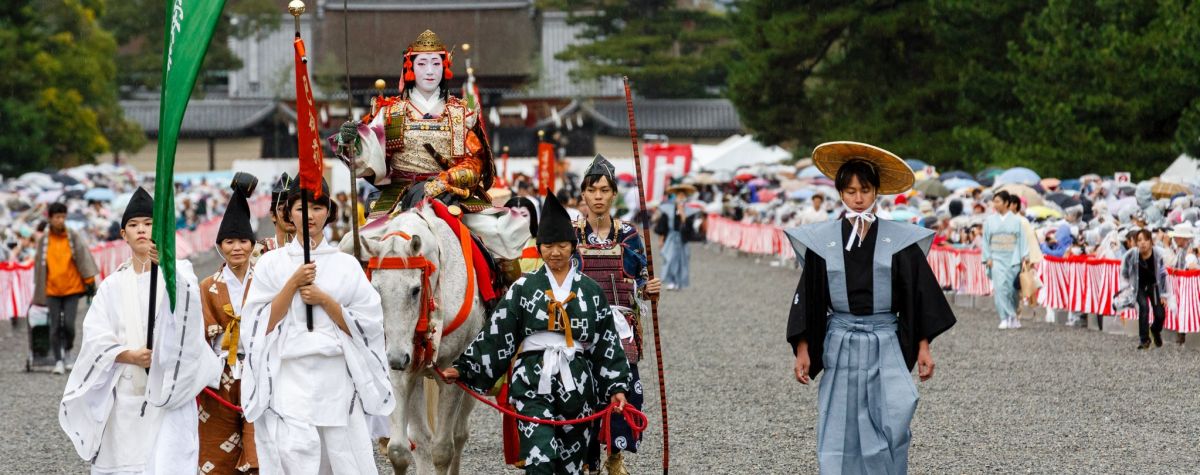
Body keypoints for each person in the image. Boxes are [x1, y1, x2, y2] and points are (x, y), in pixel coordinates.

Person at [786, 142, 955, 474]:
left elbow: (918, 295)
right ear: (840, 193)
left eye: (865, 189)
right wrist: (802, 348)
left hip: (886, 338)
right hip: (840, 339)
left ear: (877, 191)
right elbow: (809, 295)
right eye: (850, 191)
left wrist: (924, 346)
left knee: (892, 414)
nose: (858, 197)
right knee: (839, 419)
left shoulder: (899, 240)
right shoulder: (825, 239)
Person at [443, 191, 631, 475]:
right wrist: (465, 368)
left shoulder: (590, 291)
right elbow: (499, 332)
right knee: (539, 460)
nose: (555, 253)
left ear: (573, 247)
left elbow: (606, 342)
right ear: (540, 247)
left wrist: (616, 386)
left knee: (570, 465)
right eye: (548, 246)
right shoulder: (523, 288)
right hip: (532, 379)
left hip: (577, 384)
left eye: (561, 246)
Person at [59, 187, 222, 474]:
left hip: (168, 395)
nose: (142, 230)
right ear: (123, 235)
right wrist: (128, 355)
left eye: (148, 224)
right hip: (127, 393)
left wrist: (168, 271)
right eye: (133, 225)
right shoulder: (112, 285)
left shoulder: (179, 273)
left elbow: (191, 320)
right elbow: (95, 336)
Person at [240, 179, 393, 473]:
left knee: (342, 453)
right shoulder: (271, 264)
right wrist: (292, 284)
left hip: (335, 375)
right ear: (288, 213)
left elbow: (370, 325)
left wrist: (325, 300)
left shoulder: (346, 265)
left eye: (318, 207)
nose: (309, 215)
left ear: (329, 212)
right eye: (301, 207)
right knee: (294, 453)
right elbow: (257, 326)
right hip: (289, 376)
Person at [339, 29, 496, 216]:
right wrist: (351, 141)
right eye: (422, 63)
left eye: (436, 63)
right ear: (410, 67)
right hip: (400, 196)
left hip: (451, 193)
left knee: (499, 229)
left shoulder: (461, 113)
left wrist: (445, 180)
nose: (430, 71)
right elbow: (368, 156)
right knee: (369, 238)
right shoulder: (389, 112)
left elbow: (475, 162)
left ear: (445, 67)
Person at [573, 155, 662, 475]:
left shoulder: (628, 235)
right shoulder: (571, 235)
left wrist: (648, 289)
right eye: (592, 189)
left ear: (613, 195)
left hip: (621, 330)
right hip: (580, 327)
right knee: (581, 394)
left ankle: (615, 455)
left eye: (604, 190)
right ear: (583, 194)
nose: (598, 196)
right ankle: (586, 459)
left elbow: (639, 280)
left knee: (623, 393)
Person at [197, 187, 259, 473]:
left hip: (258, 369)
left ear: (252, 244)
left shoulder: (264, 280)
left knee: (258, 444)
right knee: (216, 449)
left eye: (244, 241)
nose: (237, 248)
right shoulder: (207, 286)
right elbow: (198, 336)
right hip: (219, 373)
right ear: (220, 245)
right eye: (230, 241)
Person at [33, 202, 99, 374]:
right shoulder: (44, 240)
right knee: (55, 326)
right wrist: (38, 289)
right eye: (57, 217)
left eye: (63, 216)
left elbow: (83, 258)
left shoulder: (73, 236)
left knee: (69, 325)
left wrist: (90, 281)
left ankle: (68, 350)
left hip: (72, 288)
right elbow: (39, 266)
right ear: (50, 218)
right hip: (52, 290)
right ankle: (58, 360)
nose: (60, 220)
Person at [983, 190, 1028, 329]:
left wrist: (1024, 256)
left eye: (998, 201)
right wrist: (987, 257)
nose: (995, 204)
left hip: (1013, 257)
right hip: (996, 257)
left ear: (1007, 203)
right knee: (1000, 288)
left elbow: (1022, 240)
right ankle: (1005, 317)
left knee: (1012, 290)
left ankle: (1013, 315)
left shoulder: (1017, 221)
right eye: (994, 201)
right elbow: (985, 240)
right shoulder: (990, 220)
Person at [1121, 229, 1170, 349]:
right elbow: (1124, 271)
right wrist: (1129, 285)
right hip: (1139, 286)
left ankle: (1155, 330)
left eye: (1146, 240)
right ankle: (1144, 340)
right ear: (1136, 243)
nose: (1143, 243)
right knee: (1143, 307)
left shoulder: (1158, 255)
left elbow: (1163, 275)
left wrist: (1164, 294)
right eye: (1139, 240)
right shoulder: (1131, 255)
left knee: (1160, 314)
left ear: (1151, 242)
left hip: (1154, 286)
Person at [654, 184, 702, 290]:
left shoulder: (689, 211)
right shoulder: (668, 208)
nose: (680, 197)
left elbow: (689, 227)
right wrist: (661, 239)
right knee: (669, 258)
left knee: (681, 260)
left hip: (682, 238)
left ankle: (678, 281)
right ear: (675, 196)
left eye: (682, 195)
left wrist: (683, 214)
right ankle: (670, 280)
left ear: (685, 197)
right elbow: (663, 225)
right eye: (679, 195)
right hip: (671, 237)